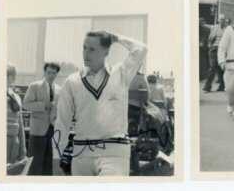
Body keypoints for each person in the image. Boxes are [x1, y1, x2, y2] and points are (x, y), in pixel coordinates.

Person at [54, 30, 147, 176]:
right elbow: (62, 122)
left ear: (106, 52)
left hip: (114, 154)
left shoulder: (121, 73)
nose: (86, 53)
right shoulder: (71, 81)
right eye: (84, 48)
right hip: (81, 155)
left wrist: (116, 37)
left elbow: (141, 49)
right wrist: (56, 157)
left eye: (92, 49)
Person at [23, 62, 61, 175]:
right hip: (38, 131)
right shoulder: (34, 86)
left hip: (53, 130)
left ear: (57, 74)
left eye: (54, 73)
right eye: (49, 72)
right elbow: (26, 104)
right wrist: (43, 105)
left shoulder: (60, 89)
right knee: (34, 164)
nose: (51, 75)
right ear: (44, 72)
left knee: (49, 163)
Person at [7, 63, 26, 166]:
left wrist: (22, 150)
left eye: (7, 75)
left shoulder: (16, 98)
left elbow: (21, 125)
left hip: (14, 140)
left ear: (13, 78)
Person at [202, 14, 227, 93]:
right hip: (214, 49)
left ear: (225, 20)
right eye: (220, 19)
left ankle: (222, 86)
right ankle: (207, 87)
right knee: (213, 67)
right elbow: (205, 26)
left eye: (223, 19)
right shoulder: (214, 27)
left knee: (221, 68)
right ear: (218, 20)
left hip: (223, 50)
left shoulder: (228, 29)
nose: (222, 21)